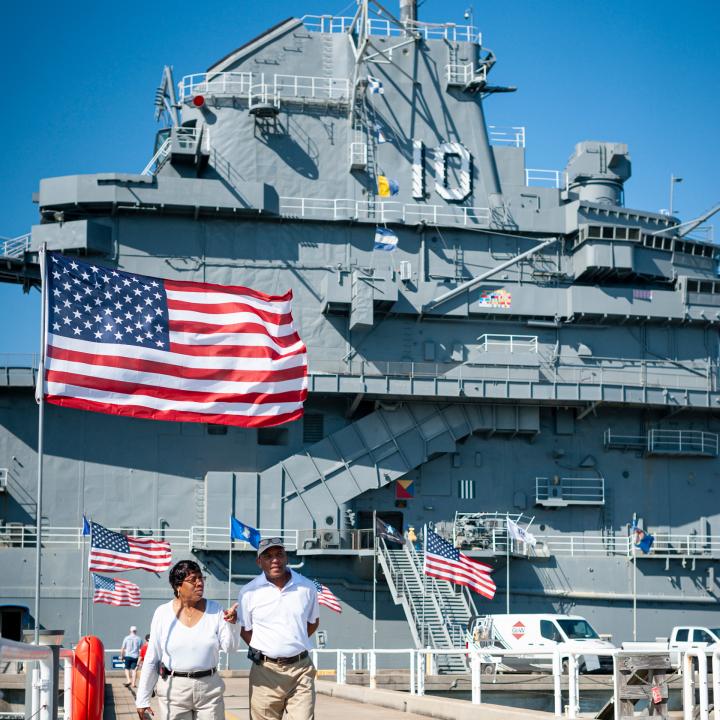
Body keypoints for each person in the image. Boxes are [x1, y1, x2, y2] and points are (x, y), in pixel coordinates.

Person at [135, 560, 240, 720]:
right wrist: (142, 698)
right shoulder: (162, 613)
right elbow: (152, 657)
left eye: (201, 578)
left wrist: (233, 624)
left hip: (209, 689)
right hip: (174, 690)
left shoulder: (216, 610)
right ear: (178, 586)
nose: (199, 583)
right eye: (193, 580)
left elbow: (230, 648)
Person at [238, 537, 320, 720]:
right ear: (259, 562)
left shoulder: (306, 588)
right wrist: (267, 649)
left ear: (286, 558)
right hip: (265, 672)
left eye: (279, 555)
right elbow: (246, 630)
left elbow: (313, 622)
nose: (275, 560)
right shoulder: (248, 592)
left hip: (301, 670)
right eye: (268, 556)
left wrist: (292, 642)